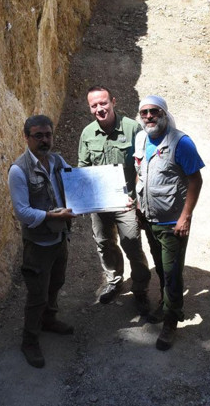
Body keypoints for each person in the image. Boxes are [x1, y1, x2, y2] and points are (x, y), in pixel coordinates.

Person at [133, 95, 204, 350]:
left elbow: (195, 180)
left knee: (172, 273)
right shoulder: (141, 139)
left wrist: (186, 217)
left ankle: (171, 320)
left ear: (164, 113)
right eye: (144, 113)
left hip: (173, 222)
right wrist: (138, 204)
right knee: (162, 269)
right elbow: (140, 172)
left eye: (154, 111)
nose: (149, 116)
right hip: (149, 219)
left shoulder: (181, 142)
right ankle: (165, 305)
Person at [8, 114, 77, 368]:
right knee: (37, 295)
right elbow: (22, 212)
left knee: (56, 282)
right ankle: (29, 340)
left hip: (59, 237)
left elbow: (75, 182)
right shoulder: (18, 170)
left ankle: (49, 320)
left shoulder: (57, 161)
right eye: (38, 136)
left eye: (48, 135)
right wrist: (51, 215)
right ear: (26, 138)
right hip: (38, 245)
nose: (44, 140)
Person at [77, 86, 152, 315]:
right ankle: (115, 280)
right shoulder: (87, 134)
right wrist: (83, 199)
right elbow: (83, 168)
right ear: (90, 108)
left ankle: (140, 289)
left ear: (113, 102)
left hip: (126, 200)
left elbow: (143, 165)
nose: (100, 108)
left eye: (103, 103)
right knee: (104, 243)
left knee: (131, 243)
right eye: (94, 105)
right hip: (100, 202)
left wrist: (137, 199)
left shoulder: (132, 128)